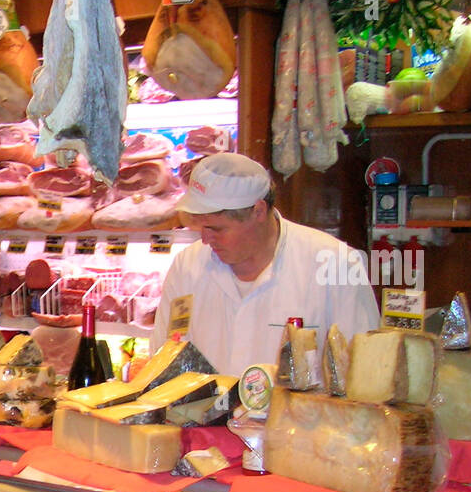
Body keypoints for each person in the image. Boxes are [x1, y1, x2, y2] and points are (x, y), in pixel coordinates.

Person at [151, 153, 379, 376]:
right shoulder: (187, 266)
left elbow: (365, 372)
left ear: (258, 211)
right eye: (201, 227)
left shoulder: (336, 264)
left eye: (216, 229)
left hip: (299, 414)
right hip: (206, 414)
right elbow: (162, 359)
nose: (205, 239)